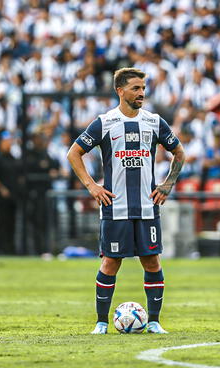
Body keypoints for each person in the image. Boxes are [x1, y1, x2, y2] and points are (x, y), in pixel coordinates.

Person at [67, 68, 185, 335]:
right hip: (115, 207)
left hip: (147, 206)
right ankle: (101, 323)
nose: (141, 93)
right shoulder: (104, 122)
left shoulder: (154, 122)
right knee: (110, 263)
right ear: (120, 91)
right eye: (135, 88)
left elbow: (179, 152)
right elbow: (74, 153)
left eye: (143, 87)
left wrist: (167, 184)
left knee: (152, 262)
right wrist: (91, 186)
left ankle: (154, 322)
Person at [24, 129, 59, 255]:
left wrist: (53, 170)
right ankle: (38, 250)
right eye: (37, 138)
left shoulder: (46, 153)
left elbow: (55, 164)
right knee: (36, 223)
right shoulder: (29, 154)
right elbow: (33, 166)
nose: (40, 141)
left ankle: (48, 249)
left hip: (47, 194)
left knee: (48, 223)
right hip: (34, 194)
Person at [0, 131, 22, 255]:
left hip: (13, 197)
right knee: (2, 223)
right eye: (6, 142)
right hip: (2, 198)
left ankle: (11, 248)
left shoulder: (14, 159)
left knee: (12, 223)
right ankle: (1, 248)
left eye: (9, 142)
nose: (8, 145)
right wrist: (1, 188)